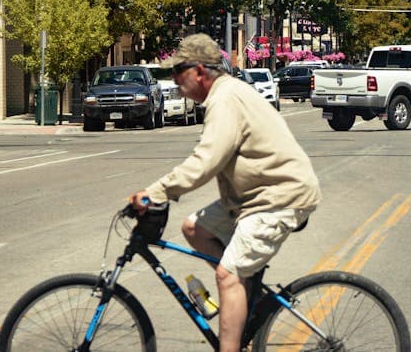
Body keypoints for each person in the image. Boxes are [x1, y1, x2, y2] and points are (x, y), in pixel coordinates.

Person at [128, 34, 320, 352]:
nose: (174, 81)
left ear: (199, 72)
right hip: (251, 198)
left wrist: (156, 191)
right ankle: (247, 302)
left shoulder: (225, 99)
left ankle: (234, 322)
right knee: (195, 228)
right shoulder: (224, 95)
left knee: (228, 275)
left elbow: (207, 161)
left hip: (277, 197)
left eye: (178, 73)